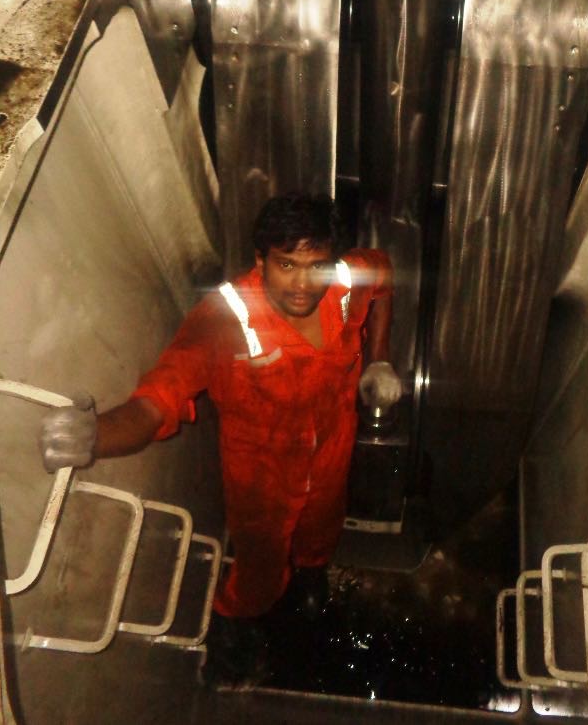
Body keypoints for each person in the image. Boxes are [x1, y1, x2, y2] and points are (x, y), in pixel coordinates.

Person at [39, 192, 402, 687]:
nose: (301, 283)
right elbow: (156, 402)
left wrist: (379, 357)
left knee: (321, 529)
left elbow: (382, 278)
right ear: (260, 260)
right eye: (286, 264)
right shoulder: (222, 320)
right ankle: (234, 625)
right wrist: (97, 436)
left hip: (331, 453)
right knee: (258, 566)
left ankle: (312, 576)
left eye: (315, 266)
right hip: (261, 482)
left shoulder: (346, 280)